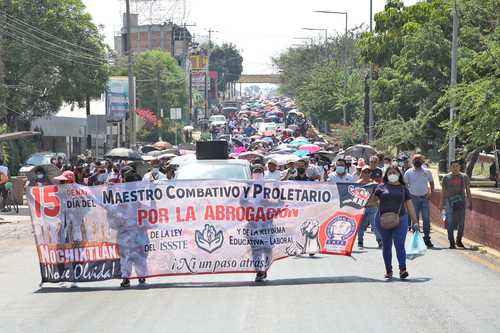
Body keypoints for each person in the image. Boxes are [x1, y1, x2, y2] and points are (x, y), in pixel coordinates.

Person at [374, 165, 419, 279]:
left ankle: (403, 269)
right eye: (390, 173)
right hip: (382, 219)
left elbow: (410, 206)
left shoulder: (404, 189)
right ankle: (388, 270)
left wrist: (415, 222)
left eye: (394, 172)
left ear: (399, 175)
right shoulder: (381, 187)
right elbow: (371, 202)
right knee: (387, 245)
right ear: (386, 175)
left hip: (401, 219)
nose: (392, 175)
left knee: (400, 245)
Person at [404, 154, 435, 248]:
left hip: (424, 198)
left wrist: (431, 193)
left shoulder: (427, 171)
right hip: (413, 198)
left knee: (426, 219)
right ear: (412, 161)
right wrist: (407, 197)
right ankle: (416, 239)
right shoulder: (408, 172)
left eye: (419, 159)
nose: (417, 161)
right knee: (415, 220)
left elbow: (432, 182)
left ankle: (426, 238)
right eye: (415, 159)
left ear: (422, 161)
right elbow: (405, 185)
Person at [440, 160, 472, 249]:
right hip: (449, 203)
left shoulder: (464, 177)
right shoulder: (446, 177)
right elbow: (443, 192)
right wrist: (441, 204)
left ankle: (459, 240)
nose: (455, 168)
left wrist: (470, 202)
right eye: (453, 166)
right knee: (450, 223)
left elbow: (468, 190)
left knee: (461, 223)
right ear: (450, 167)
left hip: (461, 202)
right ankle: (451, 242)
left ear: (460, 167)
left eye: (457, 166)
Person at [357, 165, 382, 248]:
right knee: (361, 225)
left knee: (375, 225)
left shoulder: (374, 184)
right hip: (362, 208)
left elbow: (379, 195)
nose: (367, 174)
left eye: (368, 172)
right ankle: (360, 241)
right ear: (362, 173)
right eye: (365, 172)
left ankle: (379, 240)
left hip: (373, 207)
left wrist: (375, 198)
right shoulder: (358, 183)